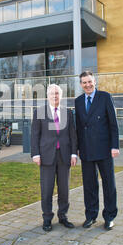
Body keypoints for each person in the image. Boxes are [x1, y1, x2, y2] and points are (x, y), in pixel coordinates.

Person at [75, 71, 119, 231]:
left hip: (104, 149)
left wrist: (115, 146)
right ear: (81, 84)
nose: (87, 85)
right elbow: (78, 127)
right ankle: (91, 216)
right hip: (86, 150)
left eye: (89, 81)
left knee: (109, 184)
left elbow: (113, 124)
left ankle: (109, 216)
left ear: (95, 81)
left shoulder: (105, 97)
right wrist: (77, 148)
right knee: (89, 185)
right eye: (84, 82)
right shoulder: (78, 101)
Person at [31, 84, 78, 232]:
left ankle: (63, 216)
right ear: (47, 95)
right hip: (46, 156)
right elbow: (34, 135)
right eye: (52, 94)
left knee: (64, 189)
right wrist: (35, 154)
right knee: (47, 189)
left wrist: (73, 153)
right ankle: (47, 219)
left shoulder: (68, 113)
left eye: (57, 93)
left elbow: (73, 134)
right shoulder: (39, 111)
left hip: (64, 156)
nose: (55, 96)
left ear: (61, 96)